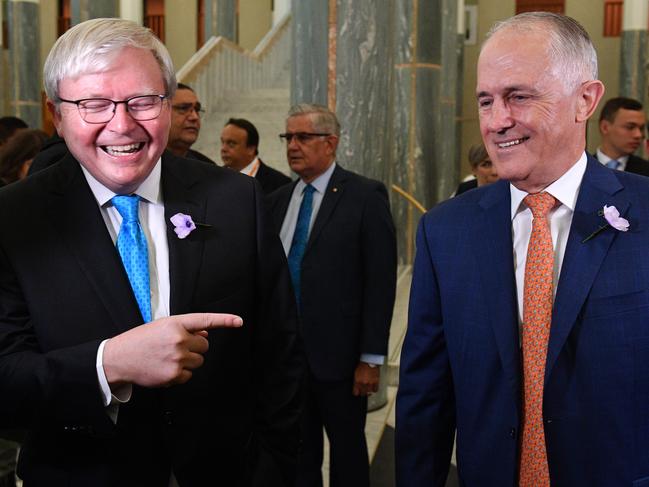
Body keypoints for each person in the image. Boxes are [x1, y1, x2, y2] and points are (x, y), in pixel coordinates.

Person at [0, 18, 303, 487]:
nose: (122, 125)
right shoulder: (14, 219)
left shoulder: (236, 201)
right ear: (56, 116)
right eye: (93, 104)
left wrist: (278, 471)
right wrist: (110, 364)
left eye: (143, 101)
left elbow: (281, 355)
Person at [397, 12, 649, 487]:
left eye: (519, 96)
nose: (497, 121)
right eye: (486, 100)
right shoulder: (444, 231)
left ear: (585, 100)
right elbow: (425, 395)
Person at [268, 104, 397, 487]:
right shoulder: (277, 200)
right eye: (288, 137)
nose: (293, 145)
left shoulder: (363, 196)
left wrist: (370, 359)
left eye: (303, 137)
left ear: (331, 143)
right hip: (288, 360)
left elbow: (379, 281)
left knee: (347, 451)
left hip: (340, 360)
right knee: (299, 451)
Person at [220, 118, 291, 193]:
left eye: (231, 144)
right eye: (222, 142)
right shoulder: (215, 179)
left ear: (251, 149)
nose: (223, 149)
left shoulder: (280, 184)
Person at [595, 96, 649, 175]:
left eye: (641, 128)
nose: (638, 135)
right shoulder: (580, 167)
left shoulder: (646, 172)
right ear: (605, 127)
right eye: (630, 127)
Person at [166, 83, 214, 164]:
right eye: (183, 108)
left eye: (197, 109)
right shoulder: (143, 164)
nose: (195, 117)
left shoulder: (207, 168)